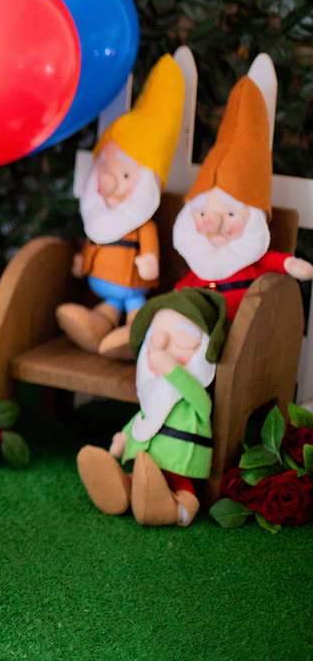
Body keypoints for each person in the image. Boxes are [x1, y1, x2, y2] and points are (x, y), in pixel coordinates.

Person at [56, 55, 183, 357]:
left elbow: (149, 247)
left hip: (134, 287)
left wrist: (149, 261)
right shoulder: (98, 217)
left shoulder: (141, 224)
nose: (109, 180)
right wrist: (82, 261)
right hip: (104, 291)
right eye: (105, 167)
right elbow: (95, 242)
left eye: (125, 174)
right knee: (106, 311)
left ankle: (133, 334)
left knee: (135, 309)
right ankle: (96, 327)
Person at [76, 288, 227, 527]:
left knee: (181, 487)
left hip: (178, 465)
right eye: (154, 335)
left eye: (181, 338)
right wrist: (123, 439)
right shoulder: (151, 394)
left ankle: (176, 508)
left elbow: (202, 404)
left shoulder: (192, 396)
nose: (160, 342)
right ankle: (122, 491)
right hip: (144, 459)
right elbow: (144, 417)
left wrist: (174, 371)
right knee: (140, 474)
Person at [170, 75, 313, 320]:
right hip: (199, 326)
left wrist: (290, 264)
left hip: (242, 333)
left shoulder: (248, 258)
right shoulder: (198, 265)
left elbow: (274, 262)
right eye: (203, 213)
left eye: (231, 214)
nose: (213, 225)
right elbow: (180, 291)